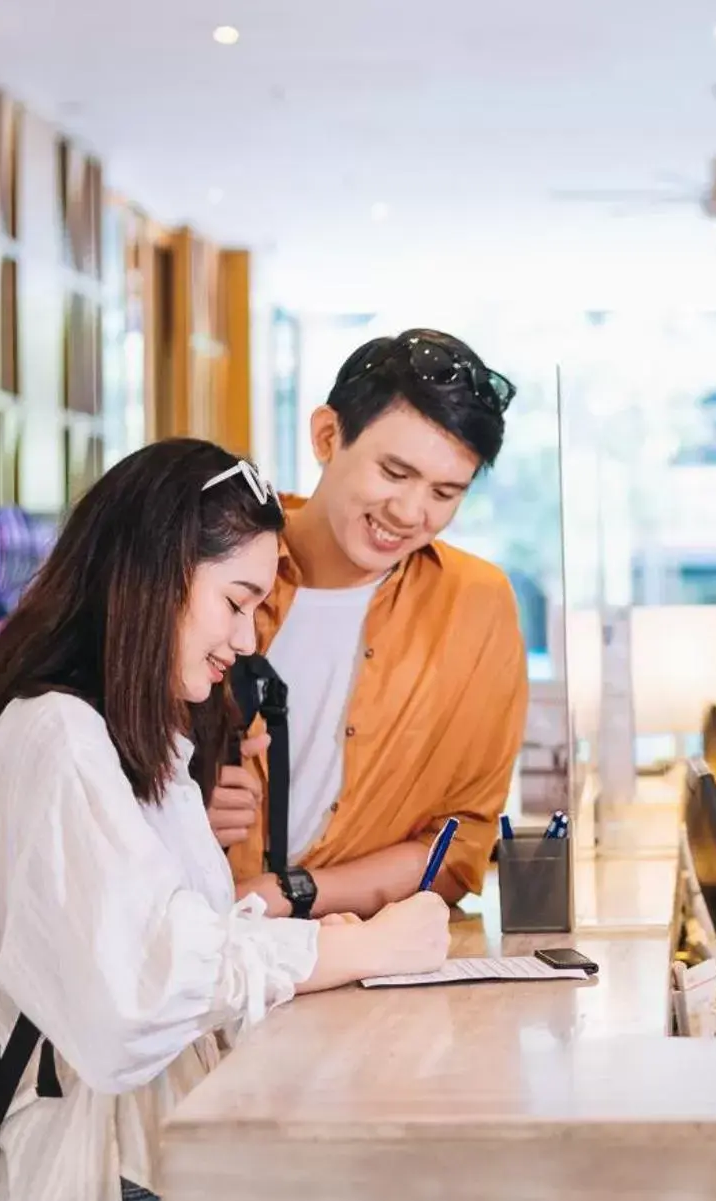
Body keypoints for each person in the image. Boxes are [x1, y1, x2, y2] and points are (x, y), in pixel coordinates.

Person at [0, 439, 452, 1201]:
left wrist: (297, 937)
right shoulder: (59, 736)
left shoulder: (140, 743)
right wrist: (356, 950)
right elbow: (134, 996)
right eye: (236, 601)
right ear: (152, 576)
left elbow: (177, 942)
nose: (247, 638)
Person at [209, 328, 526, 922]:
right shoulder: (209, 571)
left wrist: (285, 894)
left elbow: (457, 848)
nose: (409, 513)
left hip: (362, 962)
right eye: (394, 472)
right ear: (328, 436)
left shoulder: (476, 605)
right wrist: (177, 809)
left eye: (444, 492)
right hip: (191, 956)